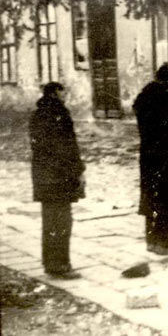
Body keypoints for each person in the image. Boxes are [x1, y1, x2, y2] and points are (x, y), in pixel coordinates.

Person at [29, 82, 85, 279]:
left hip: (44, 177)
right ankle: (61, 266)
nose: (65, 95)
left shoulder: (37, 114)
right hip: (59, 177)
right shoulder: (59, 114)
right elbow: (67, 147)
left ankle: (51, 264)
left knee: (50, 222)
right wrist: (78, 171)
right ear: (54, 94)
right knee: (62, 222)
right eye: (63, 92)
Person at [133, 63, 168, 257]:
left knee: (152, 200)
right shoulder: (166, 100)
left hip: (149, 158)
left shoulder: (144, 97)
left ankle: (152, 242)